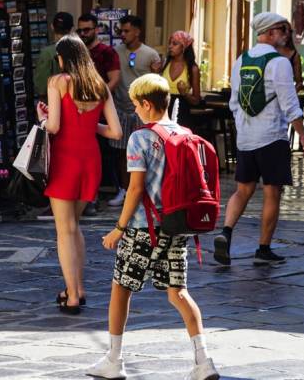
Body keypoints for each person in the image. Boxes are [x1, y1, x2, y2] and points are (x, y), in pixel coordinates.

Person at [88, 74, 219, 380]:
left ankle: (114, 360)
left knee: (121, 289)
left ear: (147, 104)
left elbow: (135, 189)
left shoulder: (140, 138)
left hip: (142, 228)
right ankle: (204, 362)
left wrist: (119, 228)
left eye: (136, 104)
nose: (135, 110)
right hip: (177, 225)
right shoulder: (185, 133)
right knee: (178, 293)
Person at [214, 13, 304, 267]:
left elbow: (234, 103)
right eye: (283, 29)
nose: (286, 34)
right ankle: (263, 249)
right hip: (271, 137)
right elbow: (290, 104)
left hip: (246, 138)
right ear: (270, 32)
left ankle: (226, 232)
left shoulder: (241, 60)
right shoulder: (279, 63)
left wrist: (244, 128)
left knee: (242, 190)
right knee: (272, 192)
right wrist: (303, 137)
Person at [36, 35, 121, 314]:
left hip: (65, 159)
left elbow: (54, 127)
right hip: (90, 160)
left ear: (63, 58)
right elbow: (116, 132)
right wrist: (87, 124)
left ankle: (72, 294)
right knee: (74, 225)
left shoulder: (58, 82)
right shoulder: (99, 85)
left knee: (65, 229)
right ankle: (78, 287)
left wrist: (43, 118)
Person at [108, 15, 160, 208]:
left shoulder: (150, 54)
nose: (123, 34)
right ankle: (123, 189)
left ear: (137, 31)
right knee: (122, 152)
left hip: (142, 111)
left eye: (127, 31)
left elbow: (156, 82)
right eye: (121, 31)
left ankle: (144, 190)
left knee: (144, 151)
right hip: (121, 108)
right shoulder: (116, 52)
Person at [77, 12, 120, 214]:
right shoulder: (78, 51)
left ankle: (92, 197)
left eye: (87, 30)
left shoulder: (107, 52)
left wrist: (98, 99)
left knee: (98, 156)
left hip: (100, 112)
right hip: (78, 111)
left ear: (96, 29)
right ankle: (82, 196)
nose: (83, 34)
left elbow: (114, 79)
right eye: (80, 30)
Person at [154, 30, 201, 127]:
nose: (170, 46)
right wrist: (155, 73)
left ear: (184, 47)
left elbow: (196, 100)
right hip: (163, 110)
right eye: (170, 43)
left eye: (174, 44)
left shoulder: (192, 68)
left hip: (181, 112)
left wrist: (185, 93)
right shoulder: (165, 63)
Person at [34, 12, 74, 100]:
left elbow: (41, 87)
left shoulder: (47, 53)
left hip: (54, 102)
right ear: (71, 29)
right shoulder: (80, 50)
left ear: (52, 26)